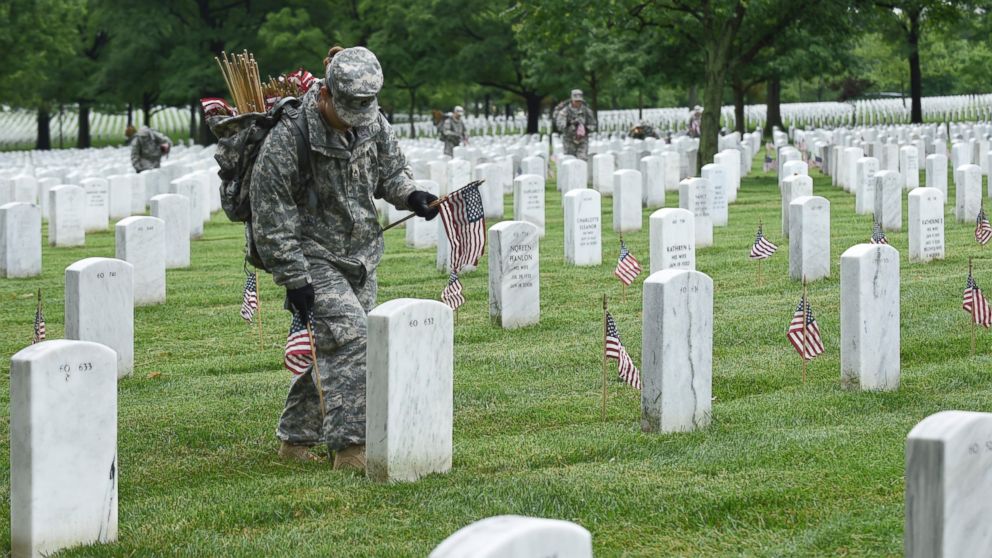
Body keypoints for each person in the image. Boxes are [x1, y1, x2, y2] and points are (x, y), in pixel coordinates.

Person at [250, 45, 439, 471]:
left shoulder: (372, 122)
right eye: (347, 110)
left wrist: (412, 195)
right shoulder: (290, 137)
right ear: (325, 95)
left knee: (334, 346)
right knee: (353, 339)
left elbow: (390, 172)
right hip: (312, 257)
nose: (356, 119)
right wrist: (294, 277)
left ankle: (295, 439)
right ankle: (352, 447)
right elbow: (271, 215)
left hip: (362, 255)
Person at [555, 89, 596, 160]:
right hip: (569, 140)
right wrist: (569, 123)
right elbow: (559, 126)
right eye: (576, 101)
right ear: (572, 100)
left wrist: (584, 128)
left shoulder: (587, 111)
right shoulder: (565, 111)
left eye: (579, 101)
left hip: (582, 140)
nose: (578, 103)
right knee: (569, 161)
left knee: (582, 160)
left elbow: (593, 124)